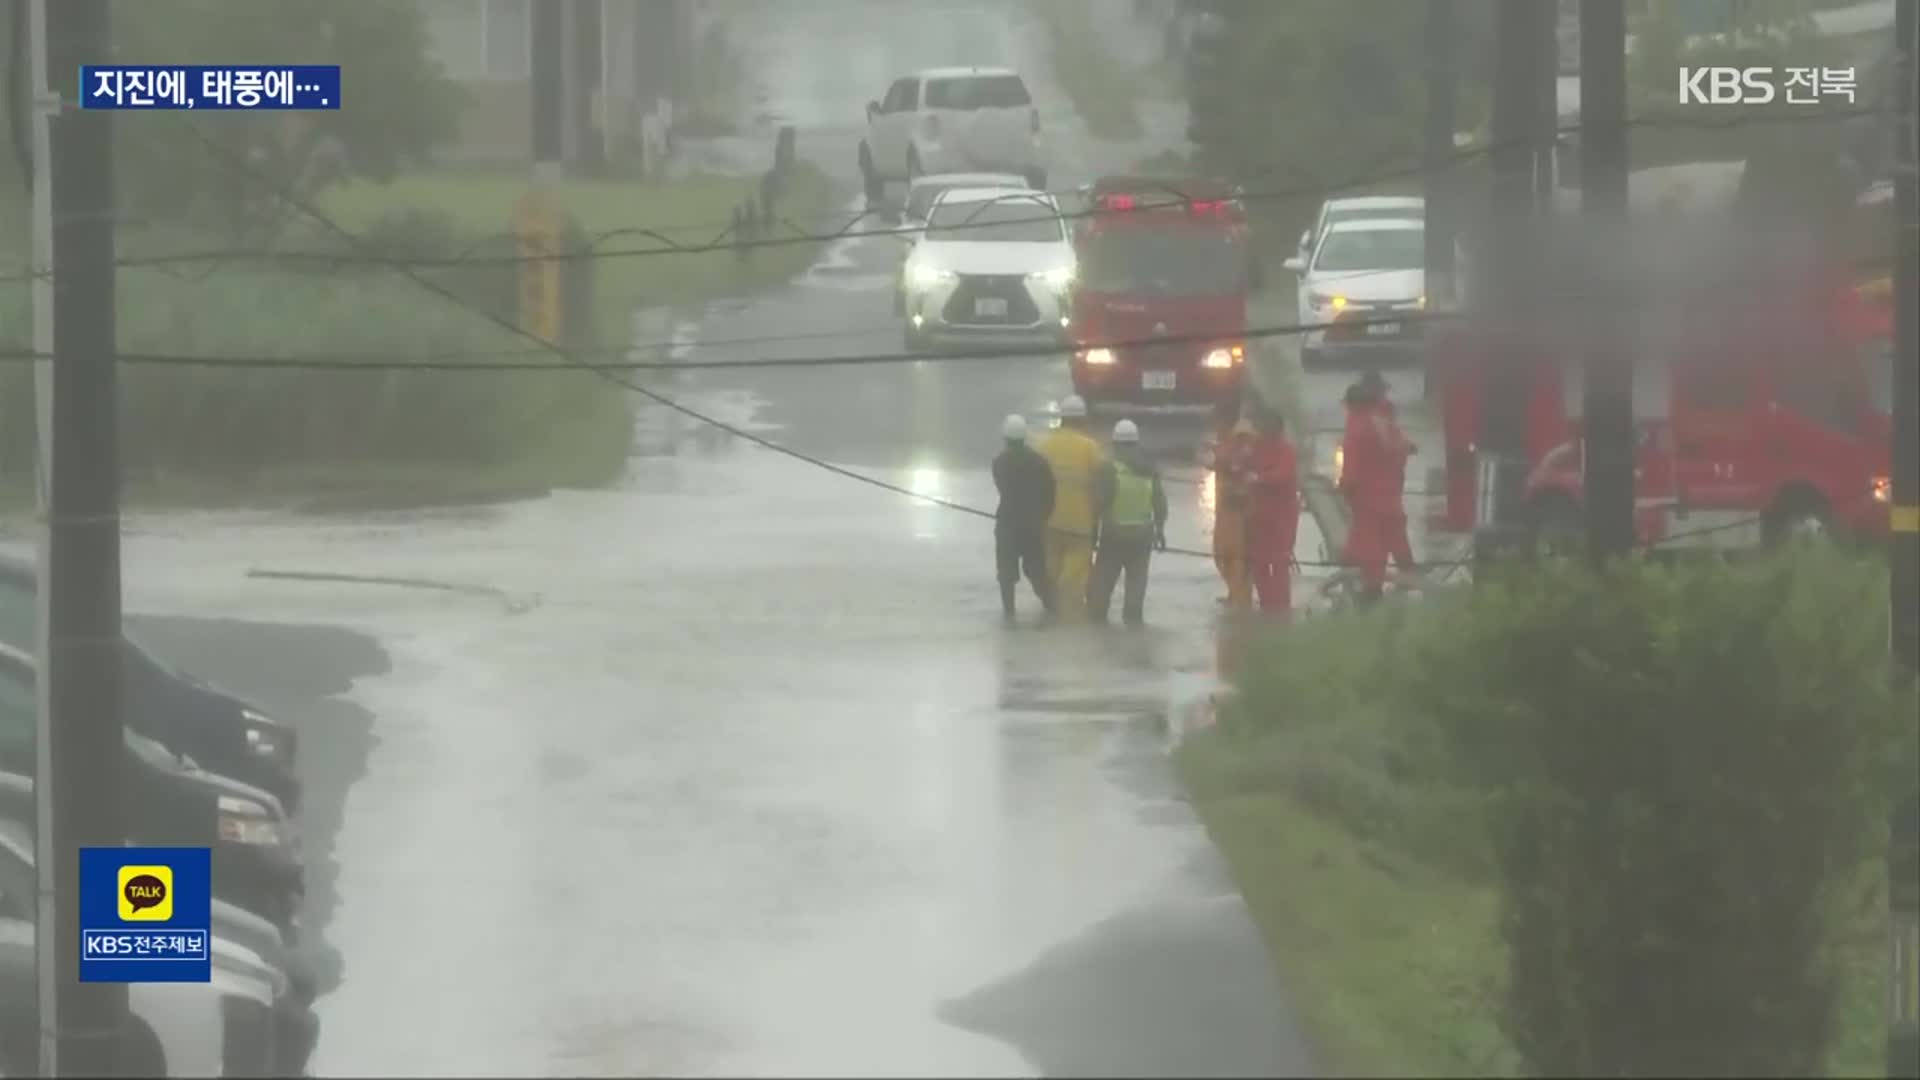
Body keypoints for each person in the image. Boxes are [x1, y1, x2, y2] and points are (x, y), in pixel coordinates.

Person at [1088, 419, 1168, 626]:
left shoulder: (1108, 468)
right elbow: (1159, 503)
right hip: (1143, 536)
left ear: (1115, 443)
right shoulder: (1150, 468)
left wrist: (1092, 535)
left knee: (1100, 594)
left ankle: (1099, 636)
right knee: (1135, 594)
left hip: (1114, 535)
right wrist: (1160, 531)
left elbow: (1098, 503)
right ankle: (1134, 635)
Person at [1036, 394, 1105, 618]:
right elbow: (1103, 483)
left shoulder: (1044, 446)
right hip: (1080, 524)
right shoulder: (1090, 448)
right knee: (1074, 578)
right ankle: (1070, 625)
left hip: (1049, 521)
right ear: (1083, 420)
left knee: (1051, 570)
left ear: (1062, 419)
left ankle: (1050, 615)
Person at [992, 413, 1057, 622]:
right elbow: (1050, 492)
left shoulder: (999, 463)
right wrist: (1043, 516)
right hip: (1033, 524)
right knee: (1037, 570)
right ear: (1024, 437)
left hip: (1008, 524)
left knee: (1006, 574)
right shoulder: (1040, 463)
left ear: (1005, 437)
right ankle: (1053, 609)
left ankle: (1009, 615)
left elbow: (1003, 489)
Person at [1243, 406, 1301, 616]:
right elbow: (1239, 464)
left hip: (1281, 514)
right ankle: (1267, 605)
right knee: (1257, 561)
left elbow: (1284, 475)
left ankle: (1280, 608)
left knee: (1279, 561)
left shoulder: (1286, 450)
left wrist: (1259, 478)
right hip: (1258, 513)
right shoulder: (1254, 447)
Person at [1200, 395, 1254, 612]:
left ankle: (1241, 600)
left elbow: (1236, 465)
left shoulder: (1242, 438)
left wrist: (1216, 460)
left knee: (1234, 554)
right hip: (1225, 506)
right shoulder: (1225, 439)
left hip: (1237, 507)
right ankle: (1235, 594)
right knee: (1222, 553)